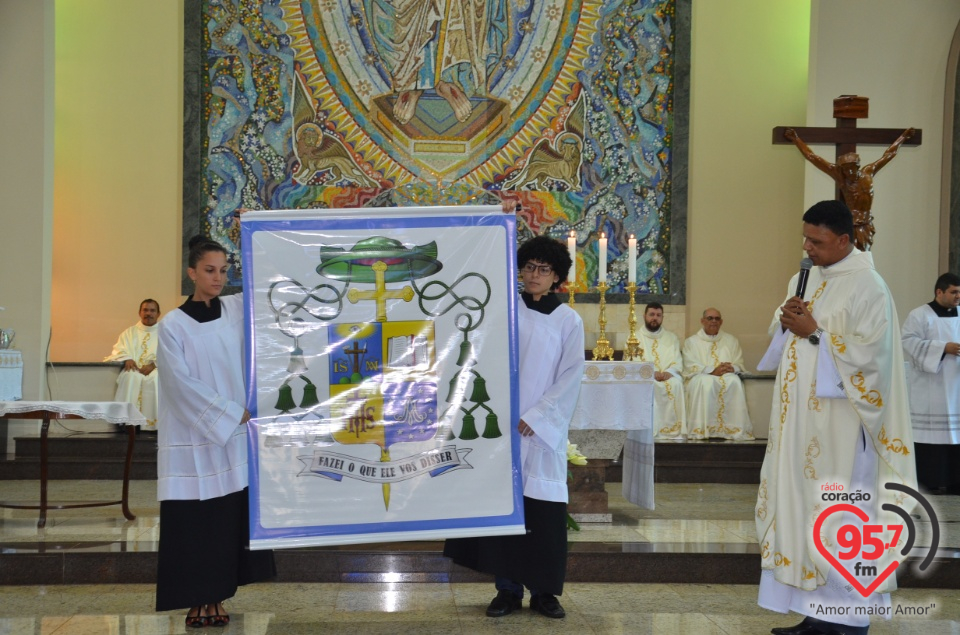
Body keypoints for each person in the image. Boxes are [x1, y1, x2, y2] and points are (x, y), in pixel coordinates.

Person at [756, 200, 916, 635]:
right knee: (803, 512)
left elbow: (874, 361)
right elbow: (787, 342)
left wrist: (816, 334)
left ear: (844, 240)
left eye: (818, 241)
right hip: (800, 426)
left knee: (841, 518)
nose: (808, 248)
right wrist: (786, 321)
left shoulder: (870, 286)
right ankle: (815, 612)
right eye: (805, 238)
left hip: (845, 429)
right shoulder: (803, 276)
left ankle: (848, 619)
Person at [444, 234, 584, 619]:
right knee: (506, 510)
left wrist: (538, 416)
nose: (534, 275)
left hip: (539, 434)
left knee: (542, 515)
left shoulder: (568, 320)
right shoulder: (503, 312)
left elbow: (571, 375)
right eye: (528, 267)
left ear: (557, 276)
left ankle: (544, 593)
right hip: (501, 428)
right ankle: (506, 590)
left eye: (543, 269)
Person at [155, 236, 275, 627]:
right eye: (210, 270)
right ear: (191, 272)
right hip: (194, 439)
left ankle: (218, 596)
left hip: (232, 440)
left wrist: (257, 230)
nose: (219, 277)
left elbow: (274, 286)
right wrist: (226, 412)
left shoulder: (238, 310)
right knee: (194, 523)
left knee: (224, 522)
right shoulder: (172, 325)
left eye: (224, 270)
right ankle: (195, 599)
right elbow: (178, 385)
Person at [783, 127, 914, 251]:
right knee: (851, 255)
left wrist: (902, 137)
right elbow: (813, 157)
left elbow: (888, 155)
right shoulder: (841, 178)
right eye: (846, 169)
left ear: (858, 166)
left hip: (866, 223)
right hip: (851, 224)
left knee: (864, 255)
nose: (850, 171)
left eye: (853, 167)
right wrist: (796, 139)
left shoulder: (868, 173)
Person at [901, 272, 960, 494]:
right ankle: (930, 482)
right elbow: (907, 341)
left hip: (956, 387)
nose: (958, 297)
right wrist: (943, 348)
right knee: (930, 437)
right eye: (953, 292)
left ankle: (956, 482)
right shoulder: (920, 315)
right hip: (931, 387)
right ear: (939, 292)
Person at [682, 307, 753, 440]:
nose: (713, 321)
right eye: (710, 318)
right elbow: (690, 364)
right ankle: (703, 429)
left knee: (733, 381)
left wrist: (733, 368)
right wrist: (712, 371)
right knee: (705, 382)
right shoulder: (691, 342)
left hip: (726, 375)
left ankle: (732, 429)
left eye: (717, 318)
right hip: (701, 376)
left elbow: (738, 362)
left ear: (721, 322)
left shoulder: (731, 340)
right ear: (702, 321)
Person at [104, 299, 161, 432]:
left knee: (155, 379)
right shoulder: (129, 333)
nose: (148, 313)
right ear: (139, 313)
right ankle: (127, 422)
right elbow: (119, 349)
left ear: (158, 314)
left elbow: (171, 353)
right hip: (134, 368)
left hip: (156, 369)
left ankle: (153, 424)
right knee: (130, 377)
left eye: (152, 310)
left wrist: (154, 365)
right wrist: (127, 358)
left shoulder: (165, 332)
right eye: (145, 310)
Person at [635, 303, 686, 439]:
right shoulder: (634, 338)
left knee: (676, 384)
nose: (655, 318)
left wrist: (670, 372)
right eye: (651, 315)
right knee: (647, 385)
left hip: (668, 376)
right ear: (644, 316)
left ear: (663, 317)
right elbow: (632, 362)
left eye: (658, 315)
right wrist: (651, 372)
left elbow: (677, 360)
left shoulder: (671, 338)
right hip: (646, 377)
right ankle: (646, 430)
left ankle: (671, 431)